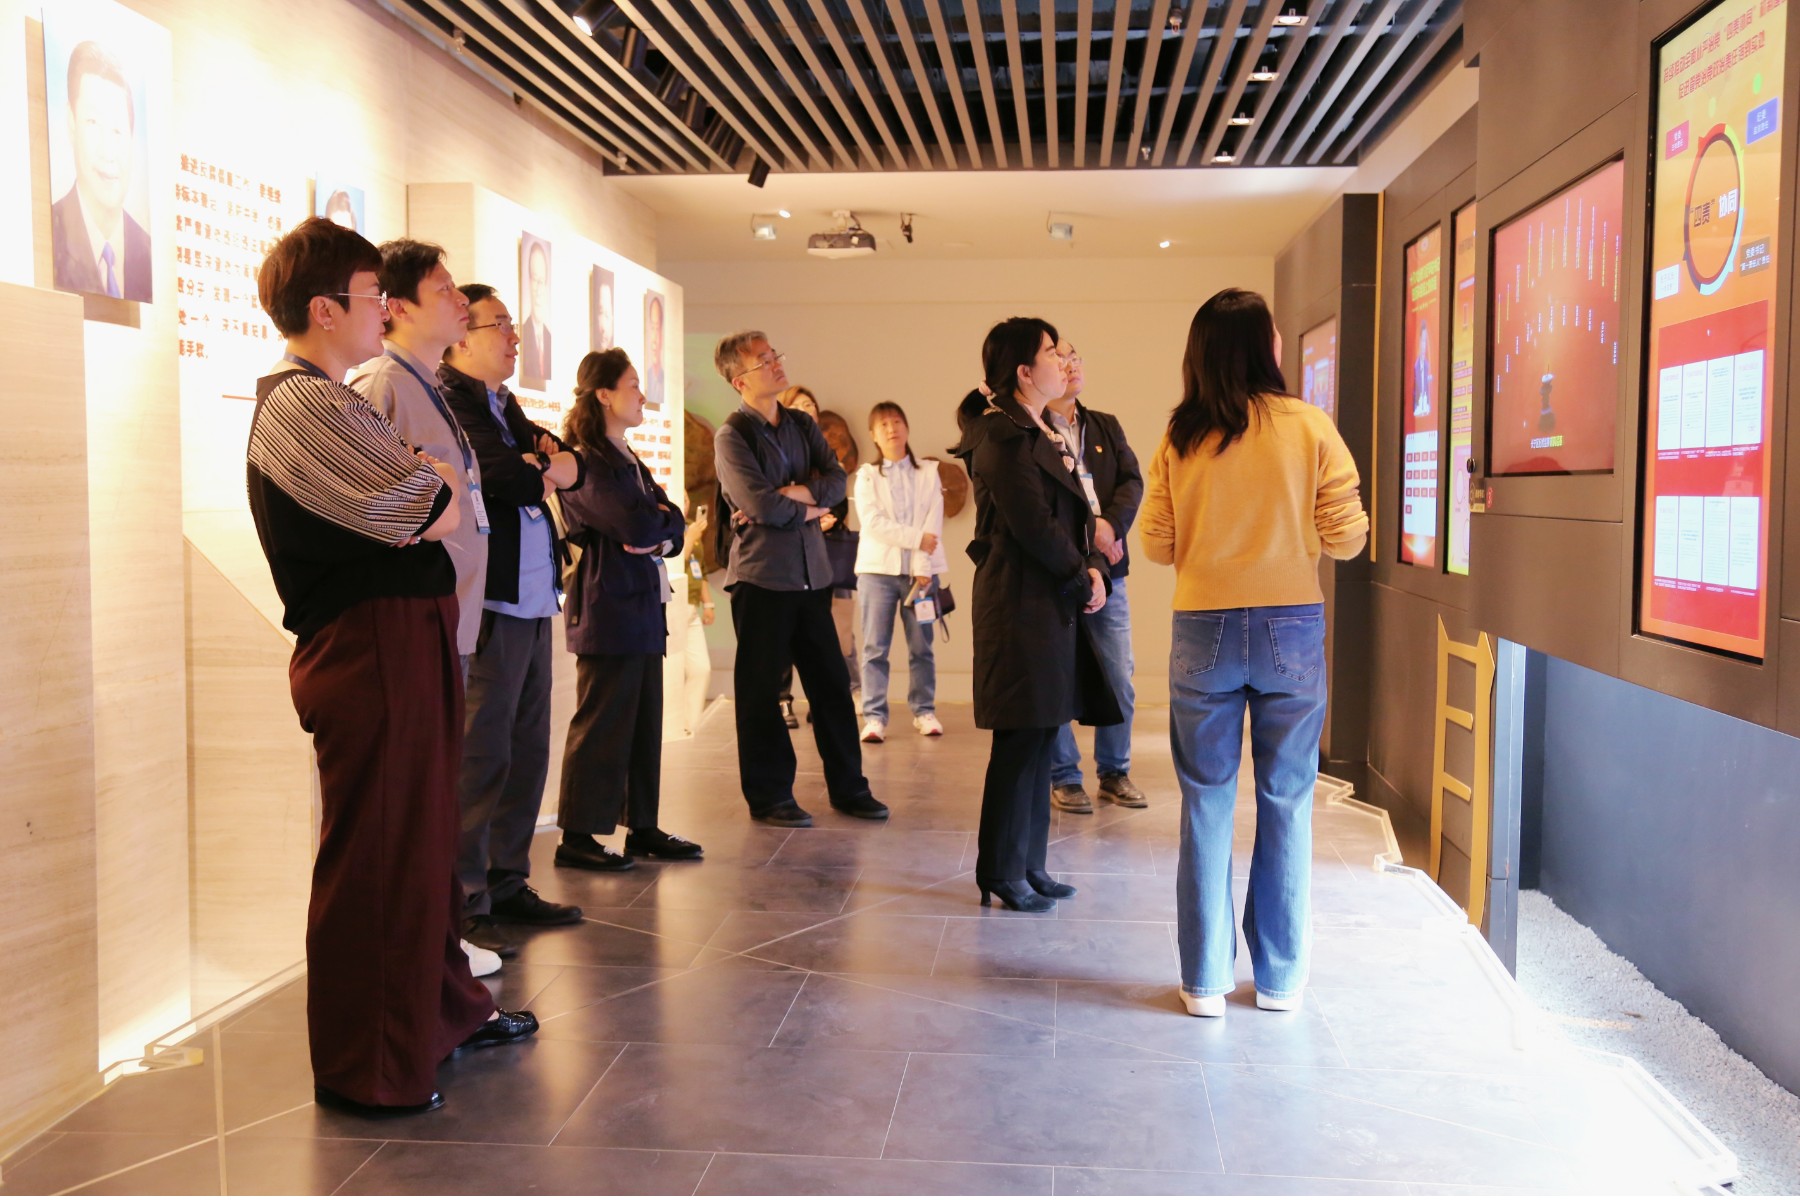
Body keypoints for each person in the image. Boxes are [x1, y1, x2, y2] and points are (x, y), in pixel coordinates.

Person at [246, 217, 535, 1119]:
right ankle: (367, 1064)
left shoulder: (331, 398)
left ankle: (429, 1019)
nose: (385, 312)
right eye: (374, 297)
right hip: (367, 648)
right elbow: (425, 506)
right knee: (377, 854)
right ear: (326, 309)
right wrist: (431, 480)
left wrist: (429, 481)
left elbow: (428, 494)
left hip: (397, 642)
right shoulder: (303, 403)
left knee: (414, 846)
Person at [1139, 288, 1368, 1018]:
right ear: (1267, 347)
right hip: (1290, 625)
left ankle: (1204, 982)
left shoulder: (1181, 435)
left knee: (1206, 800)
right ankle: (1279, 980)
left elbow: (1156, 544)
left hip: (1201, 624)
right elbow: (1347, 537)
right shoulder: (1310, 426)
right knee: (1287, 799)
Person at [439, 284, 587, 960]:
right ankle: (466, 902)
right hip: (491, 603)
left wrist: (544, 464)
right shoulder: (453, 399)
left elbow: (571, 466)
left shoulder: (504, 403)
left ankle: (507, 881)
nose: (513, 335)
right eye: (498, 324)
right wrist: (538, 468)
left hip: (533, 598)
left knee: (527, 749)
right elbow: (507, 477)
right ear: (460, 338)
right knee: (482, 754)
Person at [950, 318, 1117, 914]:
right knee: (1020, 739)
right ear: (1024, 372)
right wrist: (1082, 574)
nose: (1062, 360)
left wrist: (1089, 567)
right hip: (1019, 602)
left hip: (1049, 600)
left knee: (1044, 733)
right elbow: (1033, 525)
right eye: (1051, 352)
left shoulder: (1039, 427)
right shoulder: (1001, 434)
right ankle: (999, 870)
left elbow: (1074, 515)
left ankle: (1030, 864)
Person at [713, 331, 885, 827]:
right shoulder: (732, 436)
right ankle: (770, 797)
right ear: (739, 380)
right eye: (763, 360)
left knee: (831, 685)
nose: (776, 363)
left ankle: (850, 788)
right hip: (763, 579)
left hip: (812, 575)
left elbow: (835, 483)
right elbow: (759, 504)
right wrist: (807, 506)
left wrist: (795, 495)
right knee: (761, 693)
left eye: (775, 355)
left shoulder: (803, 425)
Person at [555, 348, 703, 869]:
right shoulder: (585, 460)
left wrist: (661, 530)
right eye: (633, 385)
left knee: (642, 722)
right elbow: (636, 524)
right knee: (601, 723)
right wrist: (657, 525)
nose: (642, 395)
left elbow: (675, 519)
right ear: (604, 394)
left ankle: (642, 826)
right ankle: (577, 837)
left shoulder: (625, 456)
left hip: (639, 605)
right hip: (607, 606)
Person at [1045, 339, 1147, 813]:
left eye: (1075, 357)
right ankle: (1064, 776)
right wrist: (1092, 533)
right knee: (1055, 673)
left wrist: (1111, 526)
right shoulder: (1033, 429)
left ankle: (1115, 771)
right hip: (1058, 570)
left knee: (1119, 673)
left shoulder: (1104, 424)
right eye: (1060, 358)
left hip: (1111, 570)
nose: (1071, 366)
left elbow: (1131, 481)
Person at [853, 401, 946, 741]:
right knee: (875, 647)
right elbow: (874, 523)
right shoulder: (866, 476)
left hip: (921, 574)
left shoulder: (929, 472)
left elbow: (933, 521)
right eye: (883, 425)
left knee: (922, 646)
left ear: (906, 427)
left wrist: (922, 565)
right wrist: (917, 539)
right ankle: (874, 717)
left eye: (896, 421)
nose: (891, 429)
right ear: (873, 435)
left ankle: (924, 711)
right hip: (877, 572)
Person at [773, 384, 858, 726]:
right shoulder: (779, 451)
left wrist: (818, 513)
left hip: (823, 556)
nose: (808, 409)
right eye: (800, 404)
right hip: (786, 556)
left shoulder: (824, 453)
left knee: (824, 635)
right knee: (783, 633)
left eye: (811, 404)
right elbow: (776, 499)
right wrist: (809, 506)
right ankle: (783, 699)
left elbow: (836, 495)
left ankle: (821, 699)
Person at [51, 40, 151, 301]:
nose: (108, 151)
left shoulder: (148, 251)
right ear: (71, 123)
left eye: (118, 130)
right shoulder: (52, 233)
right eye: (93, 122)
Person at [681, 500, 717, 735]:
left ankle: (690, 726)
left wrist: (709, 604)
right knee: (671, 671)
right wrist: (689, 537)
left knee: (701, 668)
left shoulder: (690, 526)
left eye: (686, 499)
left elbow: (699, 568)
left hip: (692, 605)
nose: (684, 504)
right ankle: (673, 725)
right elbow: (673, 563)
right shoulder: (665, 526)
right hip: (673, 605)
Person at [520, 240, 552, 387]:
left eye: (542, 280)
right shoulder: (523, 333)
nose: (539, 288)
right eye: (534, 279)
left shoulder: (549, 337)